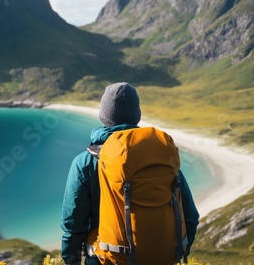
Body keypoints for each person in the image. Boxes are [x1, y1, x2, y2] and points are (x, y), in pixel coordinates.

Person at [60, 82, 199, 265]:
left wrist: (71, 260)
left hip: (107, 260)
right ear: (137, 116)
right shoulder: (162, 156)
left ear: (104, 116)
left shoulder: (85, 162)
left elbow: (73, 225)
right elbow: (190, 217)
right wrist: (175, 252)